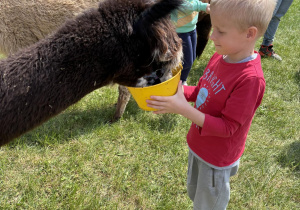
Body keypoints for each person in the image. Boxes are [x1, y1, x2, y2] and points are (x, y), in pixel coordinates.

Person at [147, 0, 276, 209]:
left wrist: (184, 110)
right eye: (213, 28)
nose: (211, 36)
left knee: (208, 205)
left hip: (217, 159)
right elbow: (202, 92)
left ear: (249, 34)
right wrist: (175, 92)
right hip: (199, 146)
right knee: (197, 195)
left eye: (220, 31)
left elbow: (228, 127)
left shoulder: (250, 80)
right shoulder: (220, 56)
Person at [171, 0, 210, 86]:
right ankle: (177, 81)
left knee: (191, 59)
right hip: (180, 31)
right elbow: (183, 6)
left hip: (191, 28)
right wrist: (202, 6)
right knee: (187, 61)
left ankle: (182, 80)